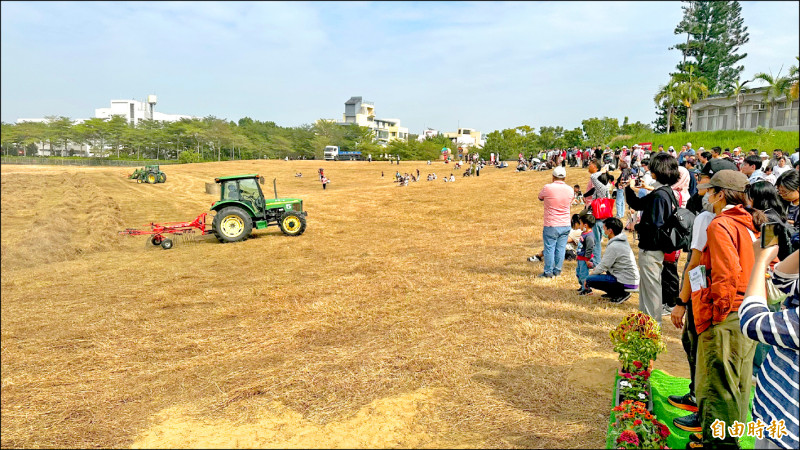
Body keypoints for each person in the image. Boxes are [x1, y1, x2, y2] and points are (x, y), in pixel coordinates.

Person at [687, 170, 766, 447]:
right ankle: (727, 439)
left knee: (717, 386)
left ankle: (718, 443)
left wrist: (717, 312)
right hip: (749, 311)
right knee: (738, 384)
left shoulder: (721, 225)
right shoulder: (751, 222)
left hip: (728, 313)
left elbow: (727, 273)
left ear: (721, 194)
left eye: (710, 191)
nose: (707, 196)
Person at [668, 168, 723, 429]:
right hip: (719, 299)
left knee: (698, 349)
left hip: (704, 297)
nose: (702, 186)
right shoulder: (743, 218)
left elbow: (695, 262)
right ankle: (697, 398)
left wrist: (681, 301)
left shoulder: (707, 218)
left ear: (719, 192)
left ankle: (703, 412)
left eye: (707, 184)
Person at [739, 246, 799, 450]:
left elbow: (752, 322)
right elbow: (783, 280)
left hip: (789, 433)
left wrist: (760, 262)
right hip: (774, 412)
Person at [624, 152, 681, 324]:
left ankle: (651, 328)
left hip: (651, 248)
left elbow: (654, 225)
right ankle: (648, 325)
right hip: (658, 248)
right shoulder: (667, 192)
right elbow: (638, 204)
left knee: (651, 291)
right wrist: (628, 188)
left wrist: (638, 226)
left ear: (656, 172)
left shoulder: (658, 195)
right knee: (650, 288)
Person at [584, 217, 639, 303]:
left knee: (590, 279)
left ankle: (621, 293)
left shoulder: (614, 246)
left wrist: (590, 275)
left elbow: (604, 266)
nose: (603, 231)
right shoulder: (621, 242)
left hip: (625, 280)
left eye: (604, 229)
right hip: (629, 279)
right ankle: (613, 293)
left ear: (610, 231)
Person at [536, 166, 574, 278]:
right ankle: (557, 270)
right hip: (565, 223)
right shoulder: (570, 189)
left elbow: (540, 197)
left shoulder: (548, 187)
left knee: (549, 248)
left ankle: (548, 272)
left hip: (551, 223)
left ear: (553, 177)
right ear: (565, 178)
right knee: (561, 248)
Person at [748, 180, 797, 260]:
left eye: (750, 197)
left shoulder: (768, 219)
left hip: (779, 260)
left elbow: (768, 248)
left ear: (757, 198)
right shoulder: (775, 211)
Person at [585, 159, 611, 264]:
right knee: (597, 239)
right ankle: (596, 259)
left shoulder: (601, 188)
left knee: (596, 240)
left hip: (598, 217)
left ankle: (596, 261)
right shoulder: (605, 188)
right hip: (603, 216)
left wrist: (602, 170)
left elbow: (593, 177)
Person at [576, 214, 596, 295]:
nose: (579, 225)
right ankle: (583, 285)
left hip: (584, 259)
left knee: (583, 274)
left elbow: (589, 249)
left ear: (585, 225)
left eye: (580, 223)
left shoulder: (589, 236)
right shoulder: (584, 233)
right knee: (578, 273)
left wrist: (587, 260)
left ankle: (587, 289)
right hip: (580, 258)